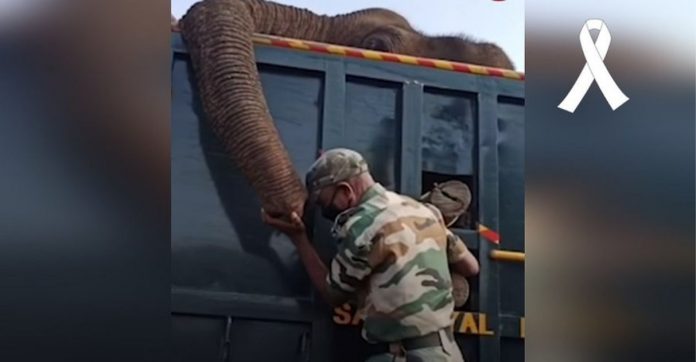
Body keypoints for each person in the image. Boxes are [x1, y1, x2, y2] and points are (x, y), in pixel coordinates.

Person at [262, 148, 479, 362]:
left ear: (346, 191)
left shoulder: (362, 227)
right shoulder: (425, 211)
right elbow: (470, 267)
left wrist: (299, 238)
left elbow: (333, 294)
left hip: (405, 355)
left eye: (325, 204)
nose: (326, 212)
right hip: (447, 352)